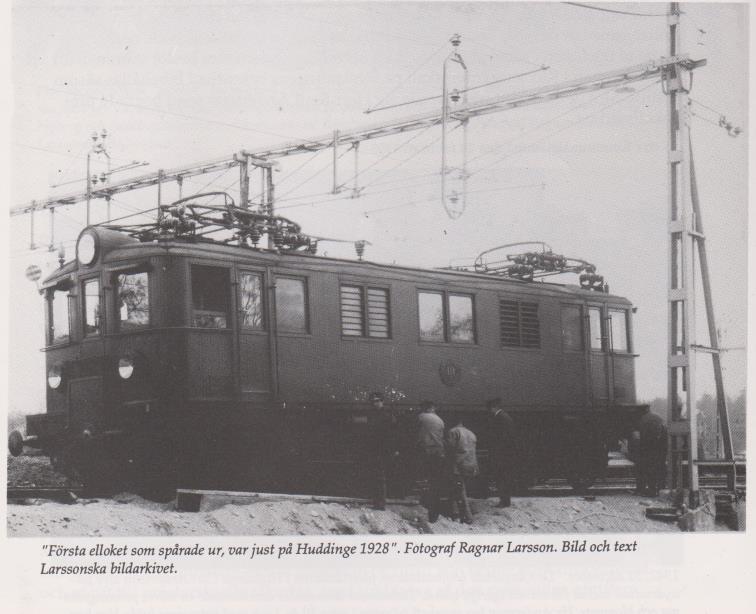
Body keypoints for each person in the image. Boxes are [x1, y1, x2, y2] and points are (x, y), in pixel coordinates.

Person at [416, 400, 446, 523]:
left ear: (425, 408)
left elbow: (415, 432)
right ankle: (435, 512)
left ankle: (424, 502)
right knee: (435, 481)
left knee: (424, 478)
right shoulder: (440, 420)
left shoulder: (421, 417)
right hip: (438, 452)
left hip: (426, 451)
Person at [445, 416, 479, 524]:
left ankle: (467, 517)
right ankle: (455, 514)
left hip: (459, 465)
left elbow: (450, 448)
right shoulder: (471, 433)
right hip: (472, 465)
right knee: (458, 488)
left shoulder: (453, 431)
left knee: (460, 491)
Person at [366, 392, 395, 510]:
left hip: (382, 449)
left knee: (380, 476)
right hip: (374, 448)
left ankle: (380, 503)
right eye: (373, 401)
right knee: (376, 475)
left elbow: (391, 434)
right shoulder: (373, 415)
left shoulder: (387, 415)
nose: (375, 403)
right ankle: (376, 501)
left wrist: (390, 449)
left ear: (382, 401)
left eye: (377, 401)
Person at [487, 398, 517, 507]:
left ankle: (504, 501)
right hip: (506, 453)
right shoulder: (505, 417)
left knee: (502, 477)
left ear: (493, 408)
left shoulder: (501, 418)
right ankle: (505, 500)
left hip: (502, 454)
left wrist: (497, 452)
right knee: (504, 477)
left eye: (490, 409)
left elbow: (502, 437)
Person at [637, 407, 668, 496]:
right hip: (661, 446)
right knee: (661, 466)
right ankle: (661, 488)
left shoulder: (643, 419)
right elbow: (664, 430)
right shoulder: (658, 417)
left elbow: (642, 436)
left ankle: (652, 490)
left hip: (650, 447)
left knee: (650, 468)